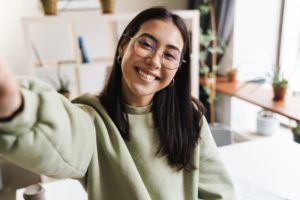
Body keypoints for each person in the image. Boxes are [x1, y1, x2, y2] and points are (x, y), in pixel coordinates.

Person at [0, 7, 235, 200]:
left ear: (177, 69)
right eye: (147, 44)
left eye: (169, 55)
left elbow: (219, 193)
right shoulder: (93, 120)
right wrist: (16, 104)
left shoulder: (189, 118)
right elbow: (62, 136)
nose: (154, 61)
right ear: (123, 46)